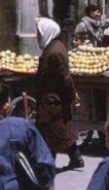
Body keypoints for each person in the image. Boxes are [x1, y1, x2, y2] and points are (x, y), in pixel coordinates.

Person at [36, 17, 84, 169]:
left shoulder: (54, 52)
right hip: (55, 97)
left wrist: (72, 95)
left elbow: (64, 78)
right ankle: (75, 158)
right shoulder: (55, 46)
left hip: (54, 99)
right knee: (62, 129)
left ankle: (48, 166)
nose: (37, 35)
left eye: (39, 32)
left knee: (53, 132)